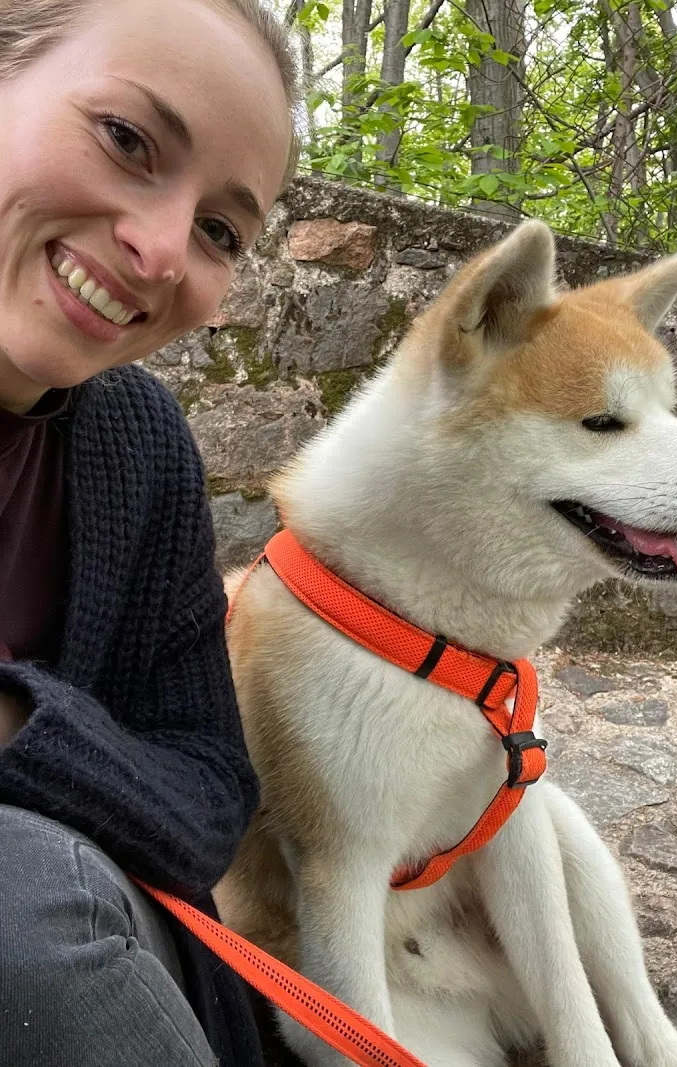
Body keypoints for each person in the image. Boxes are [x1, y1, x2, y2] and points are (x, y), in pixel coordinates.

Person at [0, 1, 304, 1063]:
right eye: (127, 139)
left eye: (222, 231)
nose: (160, 247)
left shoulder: (136, 441)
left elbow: (209, 793)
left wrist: (13, 723)